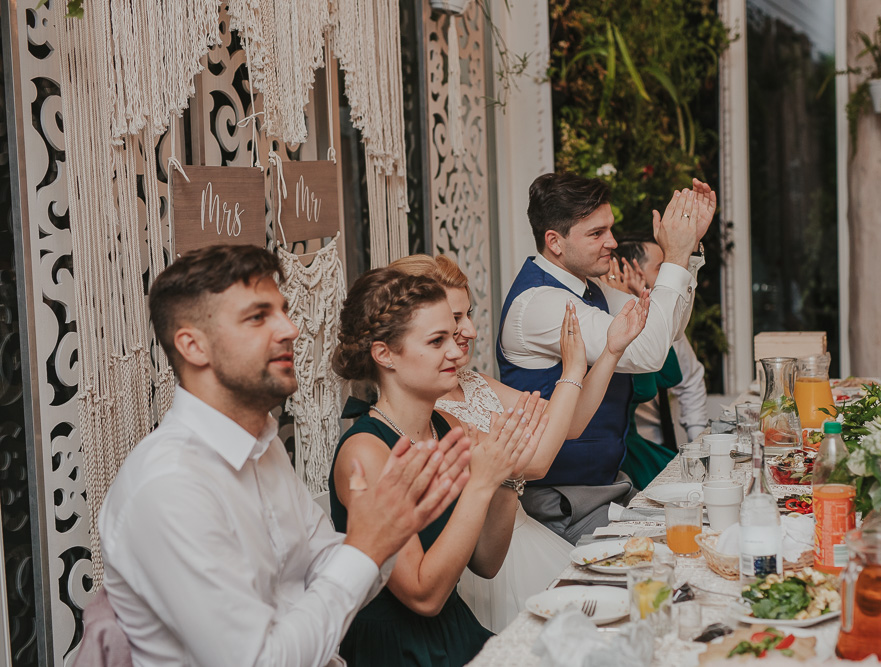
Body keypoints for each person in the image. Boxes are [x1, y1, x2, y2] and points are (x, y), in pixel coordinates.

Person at [99, 245, 471, 667]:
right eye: (258, 317)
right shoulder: (169, 487)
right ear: (193, 346)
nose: (291, 329)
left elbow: (328, 567)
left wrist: (390, 528)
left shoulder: (264, 446)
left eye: (283, 310)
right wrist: (368, 547)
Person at [389, 253, 649, 630]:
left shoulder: (473, 382)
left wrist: (611, 351)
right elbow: (539, 460)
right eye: (453, 320)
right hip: (492, 566)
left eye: (465, 315)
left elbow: (569, 425)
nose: (471, 330)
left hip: (526, 540)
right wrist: (573, 369)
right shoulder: (431, 410)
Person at [329, 268, 548, 666]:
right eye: (436, 341)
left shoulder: (448, 427)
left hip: (454, 628)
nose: (455, 350)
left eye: (452, 335)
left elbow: (486, 561)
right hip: (397, 649)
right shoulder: (366, 452)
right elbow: (423, 595)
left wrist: (506, 474)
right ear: (385, 354)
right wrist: (481, 483)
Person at [497, 173, 716, 541]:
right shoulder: (540, 304)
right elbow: (648, 353)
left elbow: (667, 331)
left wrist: (689, 252)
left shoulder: (589, 288)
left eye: (609, 229)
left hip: (604, 488)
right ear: (555, 242)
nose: (612, 242)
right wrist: (674, 256)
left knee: (701, 524)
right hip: (560, 502)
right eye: (596, 234)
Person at [604, 237, 710, 489]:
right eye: (663, 268)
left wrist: (698, 443)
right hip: (624, 453)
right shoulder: (608, 321)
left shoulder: (668, 322)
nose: (672, 276)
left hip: (656, 445)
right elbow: (658, 378)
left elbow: (688, 378)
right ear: (628, 272)